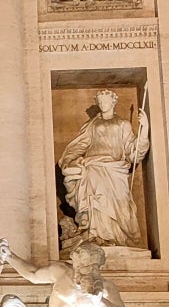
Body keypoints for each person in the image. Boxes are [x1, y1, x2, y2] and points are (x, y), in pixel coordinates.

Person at [58, 89, 150, 248]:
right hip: (93, 166)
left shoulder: (123, 124)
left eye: (105, 101)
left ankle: (117, 237)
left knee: (119, 205)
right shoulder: (91, 124)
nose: (102, 104)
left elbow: (132, 151)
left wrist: (144, 130)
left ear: (113, 102)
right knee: (95, 200)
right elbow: (80, 145)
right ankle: (96, 235)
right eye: (100, 102)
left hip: (115, 170)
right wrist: (69, 160)